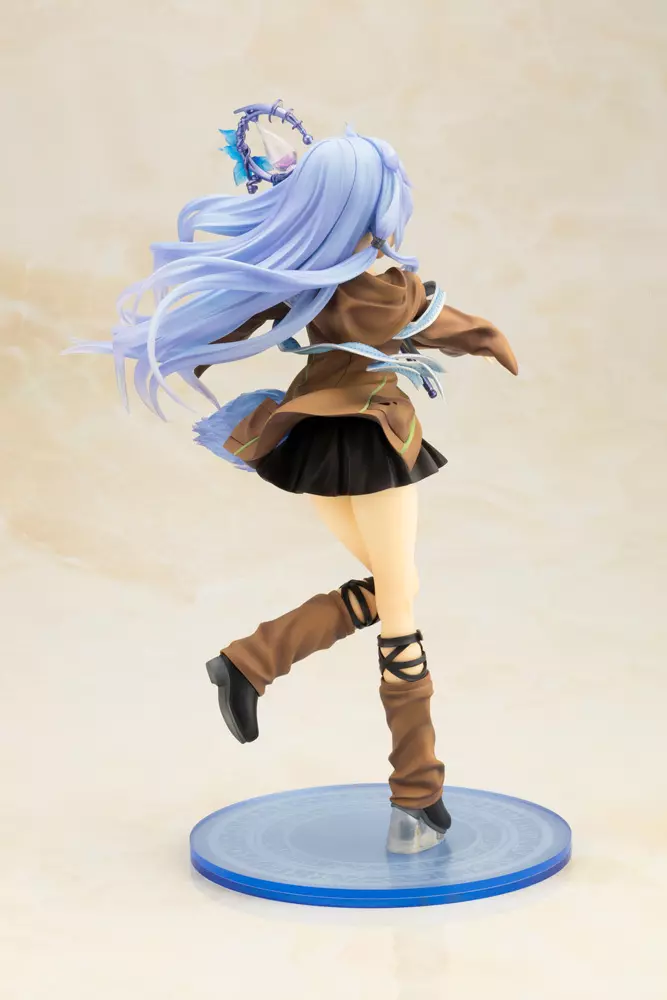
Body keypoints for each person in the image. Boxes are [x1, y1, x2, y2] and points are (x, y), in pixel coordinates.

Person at [68, 103, 518, 853]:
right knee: (399, 601)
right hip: (372, 439)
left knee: (395, 586)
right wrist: (492, 338)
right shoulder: (374, 286)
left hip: (313, 440)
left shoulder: (318, 281)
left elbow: (246, 316)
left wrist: (189, 346)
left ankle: (250, 663)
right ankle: (415, 797)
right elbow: (443, 325)